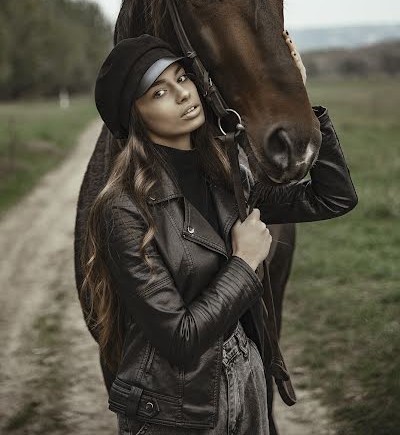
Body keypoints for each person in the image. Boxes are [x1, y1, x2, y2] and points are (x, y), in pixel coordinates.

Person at [79, 34, 358, 435]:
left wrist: (300, 92)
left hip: (247, 382)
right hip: (176, 407)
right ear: (134, 115)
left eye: (182, 78)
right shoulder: (123, 209)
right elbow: (179, 338)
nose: (183, 94)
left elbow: (335, 198)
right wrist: (244, 262)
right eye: (159, 91)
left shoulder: (227, 180)